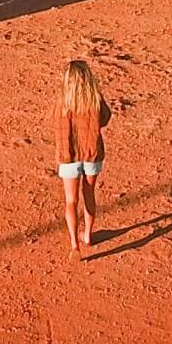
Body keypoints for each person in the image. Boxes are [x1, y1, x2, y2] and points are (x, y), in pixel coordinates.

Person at [56, 58, 112, 255]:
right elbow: (105, 118)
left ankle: (74, 244)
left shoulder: (63, 102)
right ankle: (88, 235)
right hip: (92, 154)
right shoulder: (95, 98)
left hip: (68, 156)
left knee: (71, 200)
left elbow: (56, 126)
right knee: (89, 194)